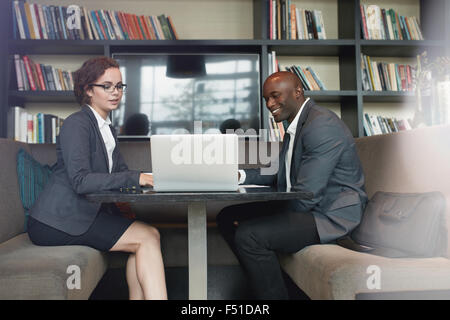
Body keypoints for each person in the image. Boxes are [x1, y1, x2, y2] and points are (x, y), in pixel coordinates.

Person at [216, 71, 368, 299]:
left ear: (298, 92)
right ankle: (272, 286)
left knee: (250, 235)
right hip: (308, 204)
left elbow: (307, 195)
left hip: (329, 215)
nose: (270, 104)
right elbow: (280, 172)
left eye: (275, 96)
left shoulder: (321, 125)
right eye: (267, 98)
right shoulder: (299, 124)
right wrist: (238, 175)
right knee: (228, 217)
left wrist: (269, 219)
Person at [27, 56, 167, 300]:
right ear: (88, 90)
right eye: (107, 86)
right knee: (146, 238)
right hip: (57, 221)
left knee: (150, 235)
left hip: (81, 214)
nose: (115, 92)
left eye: (119, 86)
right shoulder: (76, 124)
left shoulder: (106, 128)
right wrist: (138, 178)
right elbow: (81, 181)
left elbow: (121, 173)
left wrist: (151, 176)